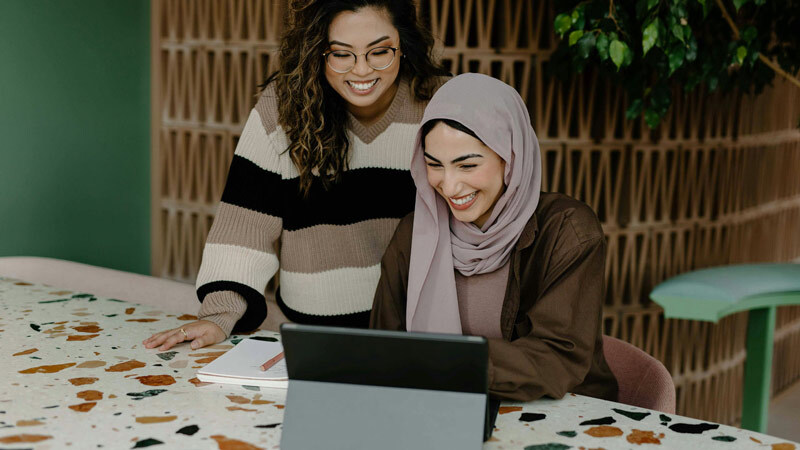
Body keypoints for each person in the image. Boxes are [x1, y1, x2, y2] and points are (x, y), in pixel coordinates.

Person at [145, 0, 448, 352]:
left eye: (379, 52)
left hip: (418, 332)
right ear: (316, 52)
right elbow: (246, 225)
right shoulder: (283, 108)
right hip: (311, 336)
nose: (362, 70)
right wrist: (219, 314)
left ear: (403, 46)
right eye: (341, 54)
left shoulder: (438, 102)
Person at [370, 73, 618, 402]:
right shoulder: (414, 234)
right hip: (444, 409)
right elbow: (383, 345)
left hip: (560, 415)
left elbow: (557, 357)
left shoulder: (567, 231)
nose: (450, 185)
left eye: (467, 165)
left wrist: (449, 364)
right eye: (435, 165)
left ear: (510, 156)